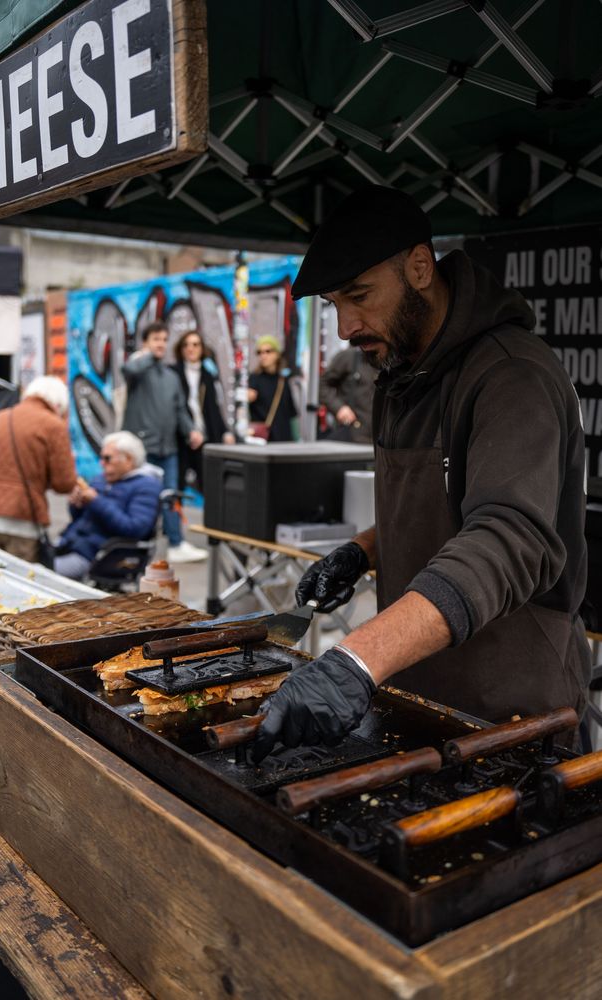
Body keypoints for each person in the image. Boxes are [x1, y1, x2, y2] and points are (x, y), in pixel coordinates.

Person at [252, 184, 591, 762]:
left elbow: (509, 537)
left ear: (418, 267)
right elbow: (441, 505)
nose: (345, 326)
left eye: (360, 295)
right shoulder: (399, 372)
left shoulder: (512, 375)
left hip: (509, 703)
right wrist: (363, 551)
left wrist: (359, 657)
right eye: (334, 304)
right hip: (415, 685)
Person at [122, 320, 207, 564]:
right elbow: (127, 370)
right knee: (140, 498)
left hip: (168, 448)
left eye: (164, 339)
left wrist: (191, 431)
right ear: (146, 343)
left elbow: (180, 409)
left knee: (171, 497)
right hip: (141, 449)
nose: (161, 344)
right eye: (155, 339)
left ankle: (176, 544)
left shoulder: (171, 376)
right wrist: (148, 355)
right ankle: (133, 546)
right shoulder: (139, 369)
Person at [0, 376, 76, 562]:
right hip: (21, 513)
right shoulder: (52, 425)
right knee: (20, 574)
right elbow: (64, 483)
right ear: (58, 403)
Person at [54, 432, 161, 580]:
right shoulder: (102, 479)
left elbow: (134, 529)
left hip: (99, 556)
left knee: (40, 573)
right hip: (70, 544)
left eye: (107, 458)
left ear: (128, 460)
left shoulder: (146, 487)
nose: (102, 463)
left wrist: (96, 501)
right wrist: (77, 503)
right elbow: (78, 518)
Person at [172, 329, 235, 491]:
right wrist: (189, 431)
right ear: (181, 349)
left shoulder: (208, 375)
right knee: (178, 485)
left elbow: (213, 408)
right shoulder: (173, 373)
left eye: (195, 344)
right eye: (186, 345)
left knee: (209, 484)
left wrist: (225, 432)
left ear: (202, 349)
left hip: (205, 437)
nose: (191, 348)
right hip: (180, 439)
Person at [319, 346, 376, 443]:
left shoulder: (389, 360)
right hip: (351, 434)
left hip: (380, 440)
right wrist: (339, 408)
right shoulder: (349, 356)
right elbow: (322, 384)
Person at [248, 335, 298, 442]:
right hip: (263, 438)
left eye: (268, 351)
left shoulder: (283, 379)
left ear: (277, 354)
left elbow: (291, 411)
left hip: (283, 437)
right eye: (260, 352)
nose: (263, 355)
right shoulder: (254, 378)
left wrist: (296, 438)